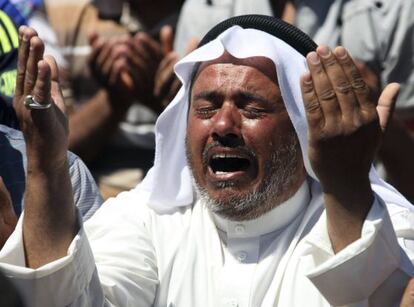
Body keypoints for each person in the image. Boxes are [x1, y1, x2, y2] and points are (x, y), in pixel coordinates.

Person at [2, 16, 414, 306]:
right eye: (206, 107)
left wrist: (346, 188)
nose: (223, 125)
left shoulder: (388, 225)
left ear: (302, 128)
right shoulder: (146, 219)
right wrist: (46, 162)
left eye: (251, 107)